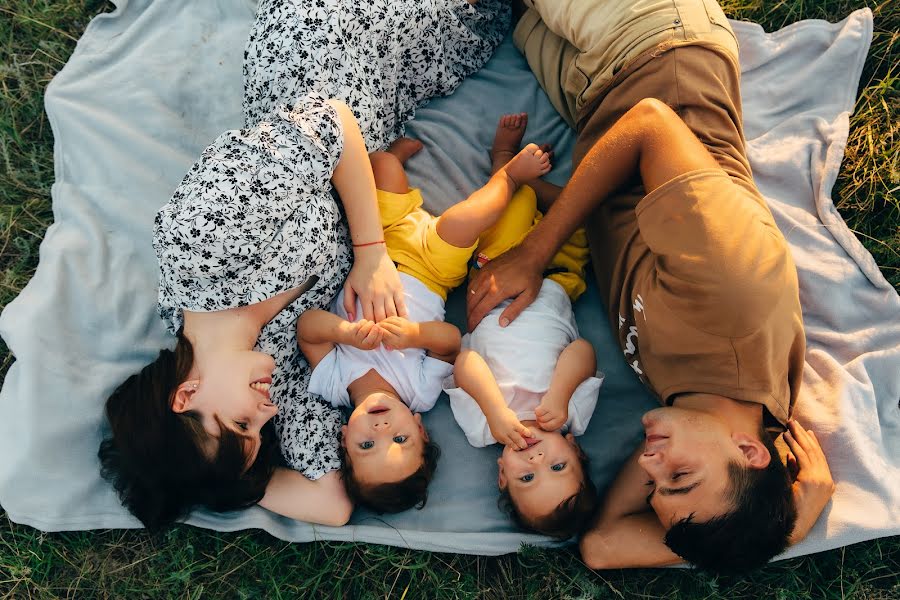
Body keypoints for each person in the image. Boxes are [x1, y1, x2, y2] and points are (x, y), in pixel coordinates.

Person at [98, 0, 511, 529]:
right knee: (496, 19)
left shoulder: (199, 247)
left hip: (330, 43)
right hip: (389, 96)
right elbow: (331, 503)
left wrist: (370, 253)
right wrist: (219, 481)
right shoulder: (275, 368)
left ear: (186, 395)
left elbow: (331, 120)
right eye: (257, 433)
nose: (266, 416)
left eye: (244, 424)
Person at [466, 0, 835, 572]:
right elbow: (650, 121)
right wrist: (533, 254)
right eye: (679, 477)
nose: (650, 466)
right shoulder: (735, 297)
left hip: (588, 106)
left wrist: (780, 533)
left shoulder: (708, 420)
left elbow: (602, 544)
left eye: (656, 490)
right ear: (749, 452)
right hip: (648, 45)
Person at [297, 119, 552, 513]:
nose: (382, 431)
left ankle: (397, 161)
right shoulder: (420, 393)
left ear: (344, 438)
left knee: (380, 166)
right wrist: (416, 335)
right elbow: (451, 341)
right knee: (462, 221)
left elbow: (308, 330)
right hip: (432, 268)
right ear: (419, 427)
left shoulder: (331, 383)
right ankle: (511, 176)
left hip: (381, 245)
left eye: (367, 446)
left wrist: (344, 332)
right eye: (401, 440)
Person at [443, 113, 602, 539]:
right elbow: (583, 352)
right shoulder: (574, 417)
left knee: (514, 211)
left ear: (501, 475)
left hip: (496, 274)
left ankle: (507, 165)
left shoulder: (482, 430)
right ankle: (531, 183)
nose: (536, 461)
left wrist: (495, 410)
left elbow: (465, 362)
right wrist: (559, 393)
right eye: (558, 466)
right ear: (575, 450)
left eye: (526, 478)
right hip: (559, 283)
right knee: (586, 220)